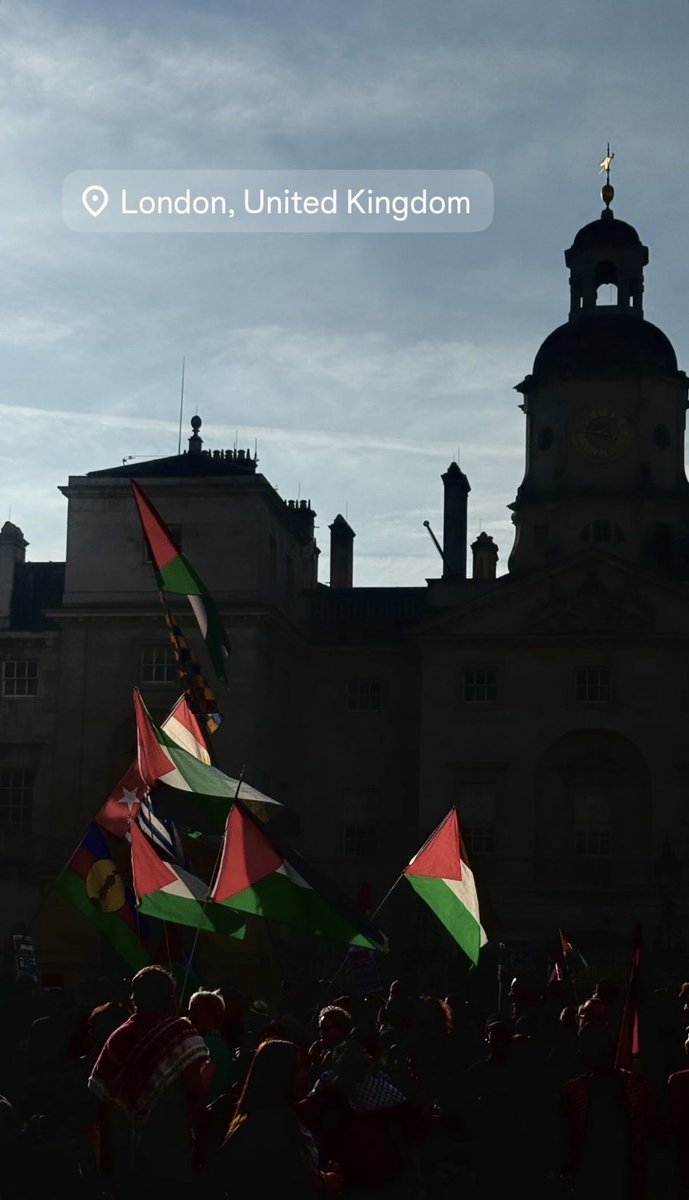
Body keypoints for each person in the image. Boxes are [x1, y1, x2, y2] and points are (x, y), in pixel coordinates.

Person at [88, 965, 209, 1199]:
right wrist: (202, 1143)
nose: (131, 998)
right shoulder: (181, 1032)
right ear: (169, 997)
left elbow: (99, 1102)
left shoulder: (119, 1037)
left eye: (134, 993)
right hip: (171, 1149)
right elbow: (196, 1093)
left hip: (125, 1154)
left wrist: (105, 1162)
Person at [211, 1038, 339, 1199]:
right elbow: (285, 1185)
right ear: (281, 1075)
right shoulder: (269, 1128)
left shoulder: (270, 1119)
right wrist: (323, 1181)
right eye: (298, 1069)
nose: (306, 1075)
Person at [188, 988, 231, 1102]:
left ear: (211, 1016)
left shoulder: (210, 1044)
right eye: (190, 1011)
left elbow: (198, 1088)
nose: (190, 1017)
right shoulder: (216, 1043)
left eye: (196, 1012)